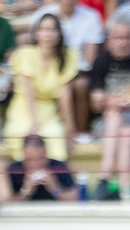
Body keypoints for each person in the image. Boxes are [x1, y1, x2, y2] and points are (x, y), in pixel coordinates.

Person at [89, 18, 130, 202]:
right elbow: (95, 102)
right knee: (121, 126)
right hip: (107, 124)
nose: (123, 43)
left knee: (116, 115)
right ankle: (126, 187)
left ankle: (104, 177)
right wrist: (112, 102)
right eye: (118, 38)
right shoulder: (101, 61)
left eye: (127, 38)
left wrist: (123, 102)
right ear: (109, 39)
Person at [3, 13, 78, 162]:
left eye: (52, 29)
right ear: (36, 33)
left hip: (49, 110)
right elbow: (28, 91)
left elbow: (65, 96)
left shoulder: (68, 56)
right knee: (23, 136)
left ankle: (53, 183)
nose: (47, 34)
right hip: (24, 107)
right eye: (43, 29)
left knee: (56, 139)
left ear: (59, 33)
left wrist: (69, 128)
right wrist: (34, 123)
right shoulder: (25, 53)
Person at [30, 0, 103, 135]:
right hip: (47, 68)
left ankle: (81, 132)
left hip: (79, 71)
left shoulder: (91, 16)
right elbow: (34, 47)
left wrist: (70, 72)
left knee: (80, 85)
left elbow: (90, 60)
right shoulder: (43, 15)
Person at [9, 132, 78, 200]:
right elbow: (7, 204)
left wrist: (55, 189)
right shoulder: (14, 170)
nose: (36, 164)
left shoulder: (59, 167)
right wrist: (26, 191)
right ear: (23, 155)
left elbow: (74, 199)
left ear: (46, 153)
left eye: (40, 159)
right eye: (30, 160)